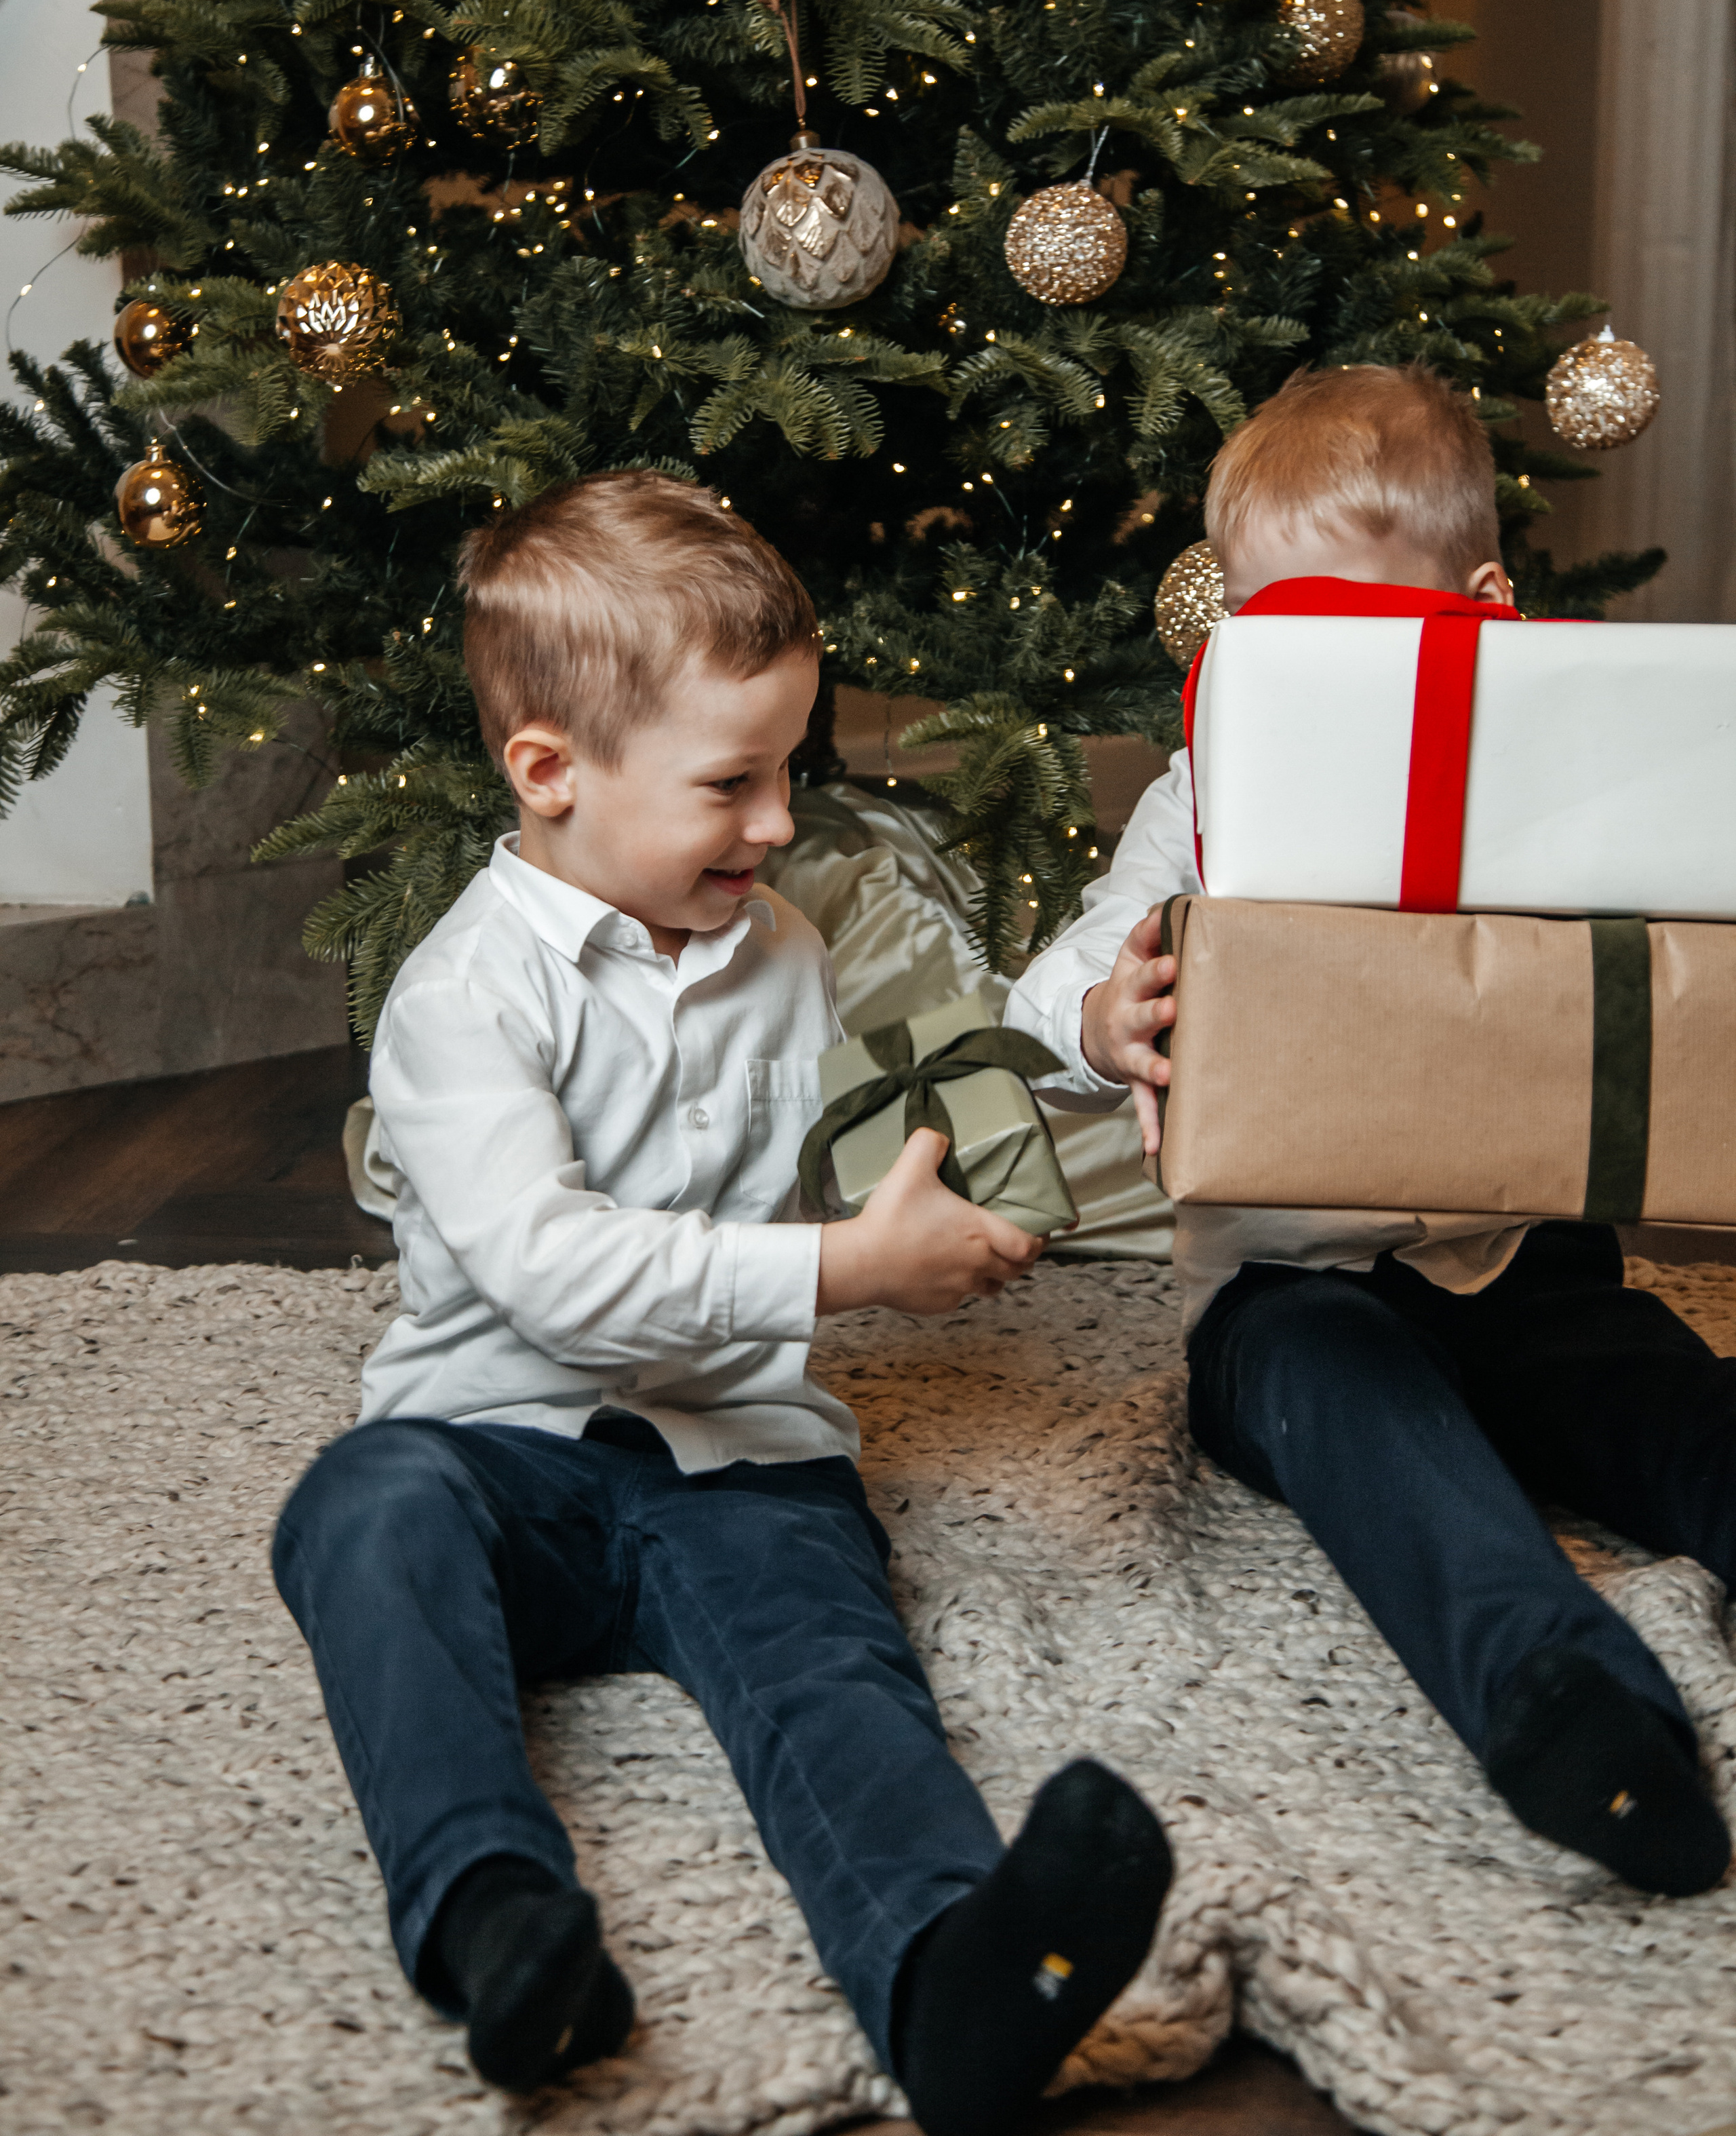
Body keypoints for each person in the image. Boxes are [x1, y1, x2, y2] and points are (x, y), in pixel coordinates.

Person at [272, 472, 1171, 2129]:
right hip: (498, 1452)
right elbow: (554, 1279)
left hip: (739, 1457)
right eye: (731, 783)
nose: (774, 824)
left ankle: (944, 1975)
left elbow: (910, 1104)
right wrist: (847, 1268)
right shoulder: (461, 997)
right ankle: (493, 1917)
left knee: (831, 1674)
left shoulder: (784, 952)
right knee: (362, 1508)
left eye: (787, 772)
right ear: (549, 771)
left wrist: (1058, 1081)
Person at [1008, 364, 1735, 1900]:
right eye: (1276, 642)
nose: (1310, 682)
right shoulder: (1207, 787)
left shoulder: (1571, 775)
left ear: (1482, 610)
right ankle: (1559, 1698)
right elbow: (1045, 991)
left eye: (1355, 639)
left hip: (1532, 1265)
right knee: (1377, 1440)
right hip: (1289, 1297)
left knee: (1676, 1409)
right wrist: (1102, 1014)